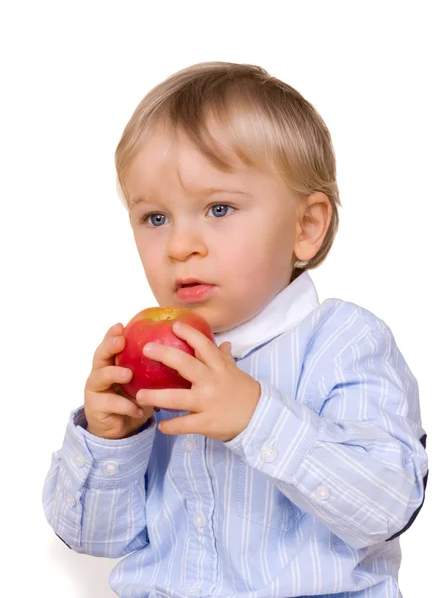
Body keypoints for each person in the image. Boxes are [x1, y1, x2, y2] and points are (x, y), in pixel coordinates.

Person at [42, 62, 428, 598]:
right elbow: (95, 539)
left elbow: (386, 502)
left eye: (218, 208)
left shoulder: (344, 342)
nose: (180, 246)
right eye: (155, 218)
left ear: (305, 227)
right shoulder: (154, 358)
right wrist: (112, 441)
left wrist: (255, 416)